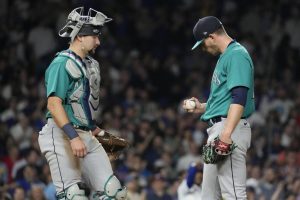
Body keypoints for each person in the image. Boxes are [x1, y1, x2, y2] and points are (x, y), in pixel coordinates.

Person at [38, 7, 127, 200]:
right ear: (79, 36)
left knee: (114, 193)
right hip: (60, 134)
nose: (98, 41)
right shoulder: (61, 63)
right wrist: (73, 137)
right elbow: (54, 105)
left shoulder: (90, 64)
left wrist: (97, 132)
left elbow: (79, 107)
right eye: (94, 36)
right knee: (73, 195)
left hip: (84, 133)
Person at [182, 16, 255, 199]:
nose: (203, 48)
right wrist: (201, 107)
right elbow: (225, 101)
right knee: (209, 196)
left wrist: (226, 135)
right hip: (219, 128)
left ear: (212, 36)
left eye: (203, 43)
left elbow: (239, 98)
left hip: (228, 129)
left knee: (233, 195)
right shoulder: (226, 57)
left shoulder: (236, 54)